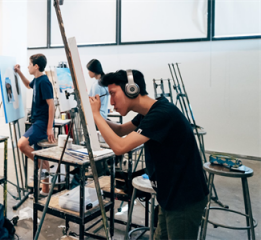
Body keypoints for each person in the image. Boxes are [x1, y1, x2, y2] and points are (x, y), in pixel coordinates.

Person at [89, 69, 208, 239]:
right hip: (169, 195)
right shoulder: (150, 112)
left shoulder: (161, 114)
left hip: (184, 199)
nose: (112, 102)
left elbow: (120, 146)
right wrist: (95, 117)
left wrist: (96, 115)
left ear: (132, 89)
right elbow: (121, 130)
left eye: (114, 94)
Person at [14, 54, 55, 196]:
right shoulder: (37, 80)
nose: (28, 66)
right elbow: (27, 85)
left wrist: (49, 127)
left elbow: (51, 105)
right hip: (37, 121)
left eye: (29, 64)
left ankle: (40, 167)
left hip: (42, 123)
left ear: (36, 66)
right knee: (41, 155)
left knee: (21, 144)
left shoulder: (44, 82)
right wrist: (19, 72)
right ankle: (45, 191)